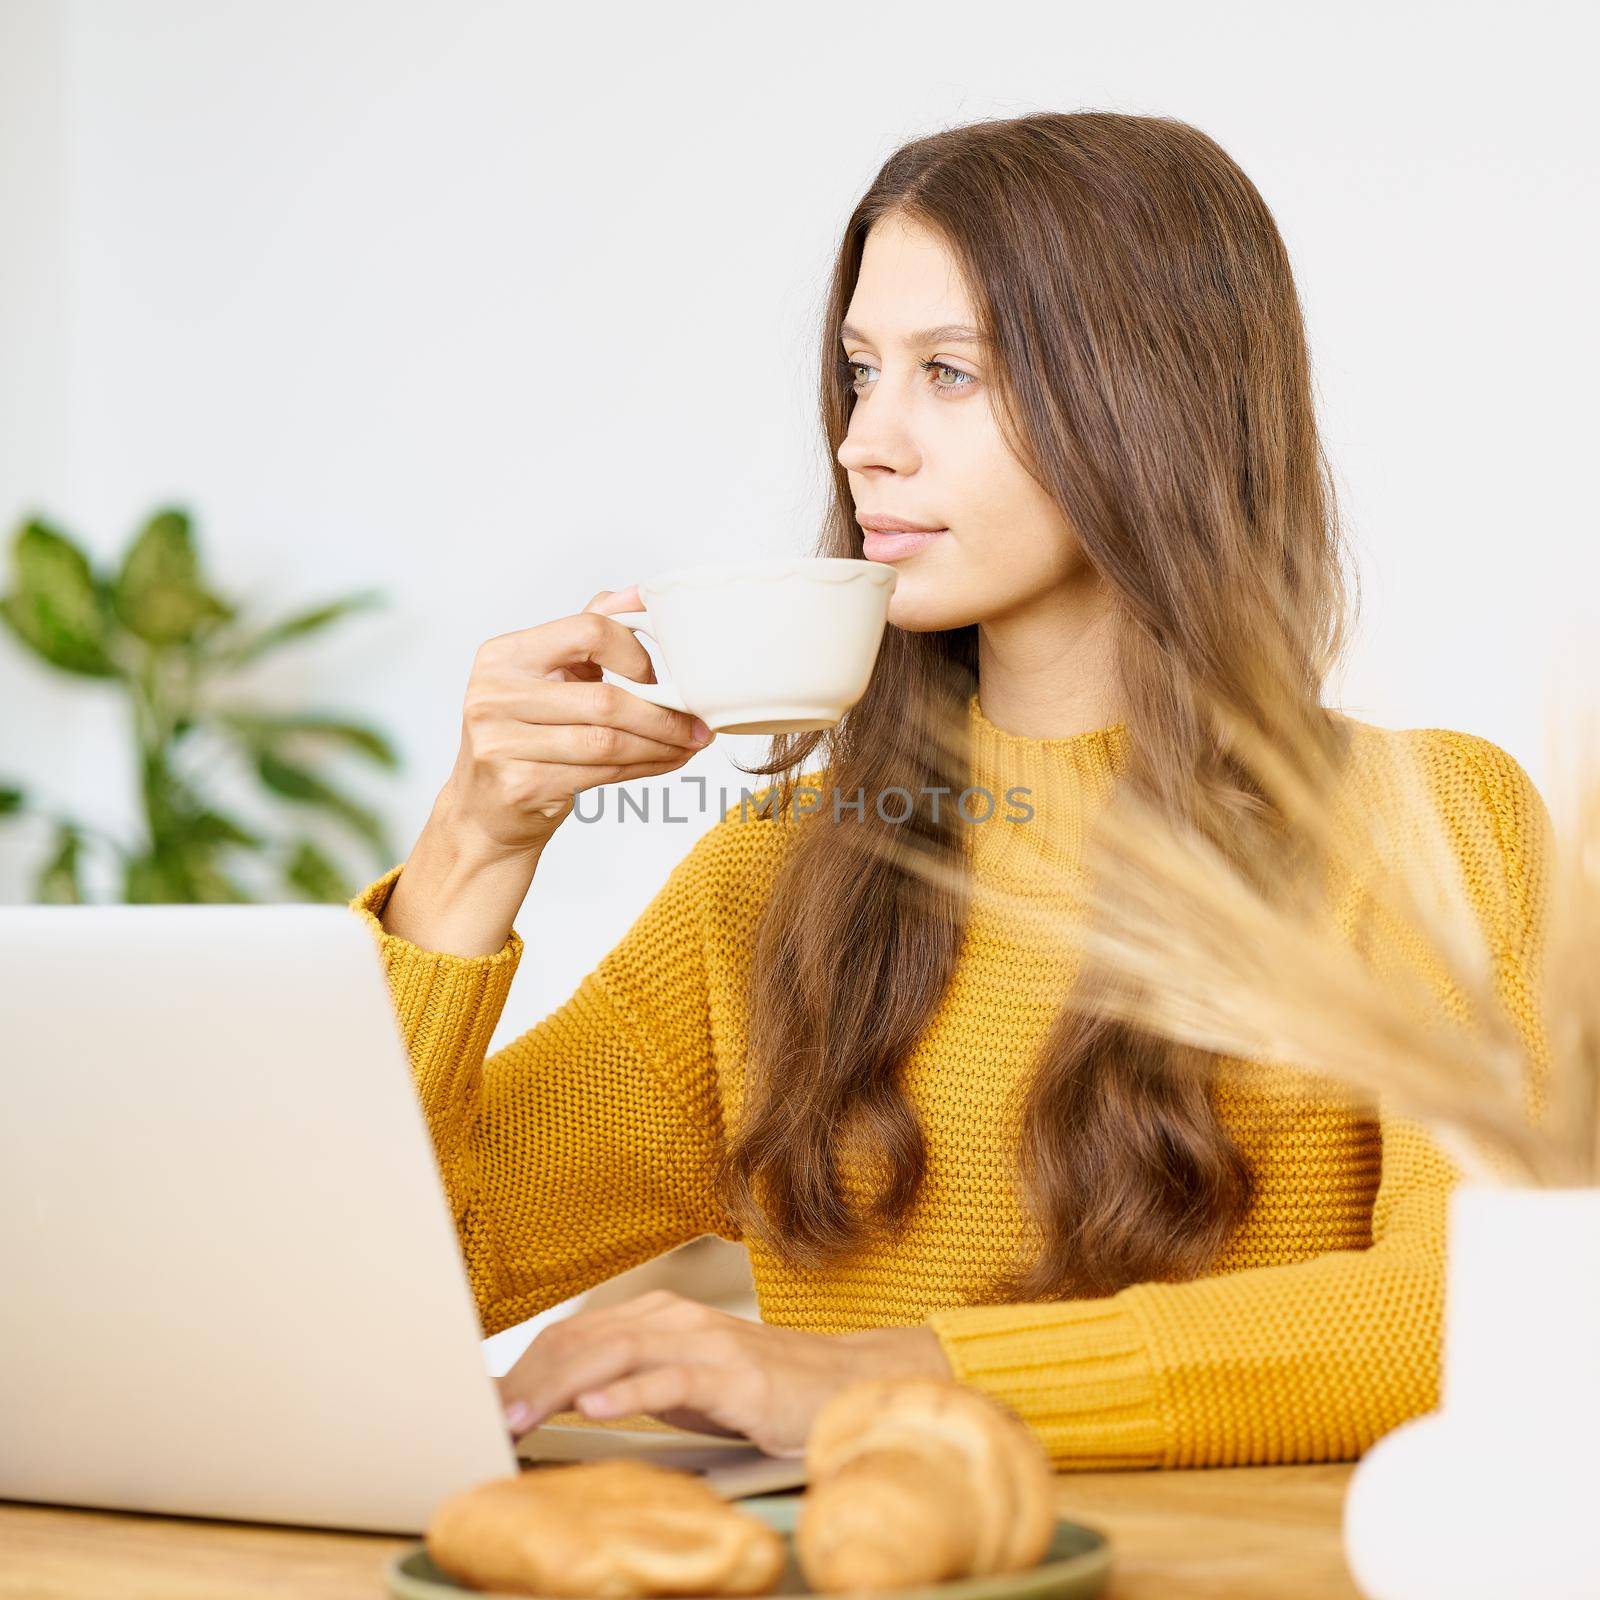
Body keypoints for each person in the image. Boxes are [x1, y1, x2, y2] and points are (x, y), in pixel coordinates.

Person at [348, 111, 1551, 1468]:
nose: (867, 442)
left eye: (950, 373)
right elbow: (365, 1288)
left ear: (1149, 395)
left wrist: (883, 1380)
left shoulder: (1424, 824)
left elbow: (1476, 1313)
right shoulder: (774, 882)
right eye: (860, 372)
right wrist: (470, 850)